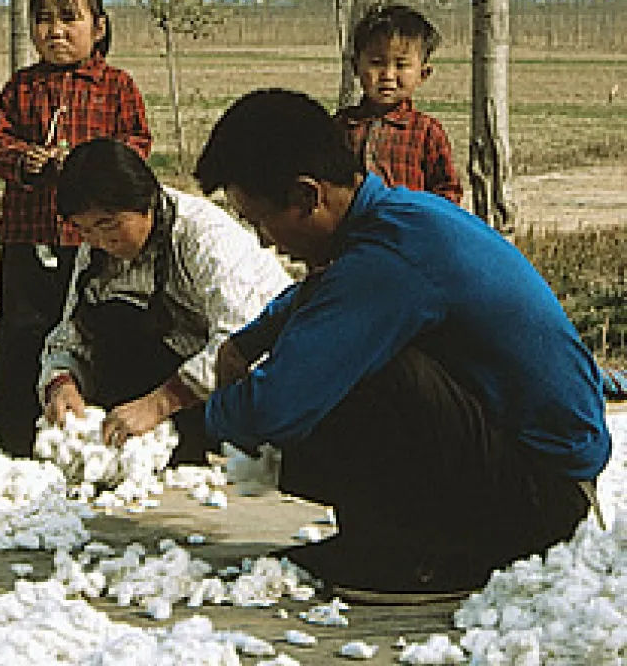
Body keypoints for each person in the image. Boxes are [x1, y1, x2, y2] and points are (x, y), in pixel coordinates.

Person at [192, 89, 609, 597]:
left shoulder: (389, 259)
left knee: (352, 369)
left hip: (539, 501)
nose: (262, 241)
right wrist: (247, 342)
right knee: (329, 347)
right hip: (536, 471)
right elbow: (319, 291)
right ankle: (399, 535)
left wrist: (204, 418)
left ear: (308, 196)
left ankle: (430, 554)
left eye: (261, 221)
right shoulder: (395, 218)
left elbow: (275, 408)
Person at [0, 0, 152, 458]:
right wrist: (25, 160)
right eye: (43, 20)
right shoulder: (22, 88)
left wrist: (86, 161)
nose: (55, 31)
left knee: (92, 325)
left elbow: (136, 145)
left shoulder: (117, 87)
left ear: (98, 27)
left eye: (68, 19)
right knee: (22, 329)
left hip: (93, 241)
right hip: (29, 233)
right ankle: (12, 431)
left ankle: (92, 427)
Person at [40, 138, 291, 465]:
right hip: (184, 361)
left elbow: (241, 341)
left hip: (265, 374)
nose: (101, 241)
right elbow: (71, 331)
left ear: (145, 203)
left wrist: (160, 403)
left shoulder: (204, 237)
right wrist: (62, 381)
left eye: (109, 225)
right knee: (112, 319)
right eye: (85, 230)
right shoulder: (98, 254)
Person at [334, 3, 462, 205]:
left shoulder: (427, 132)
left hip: (408, 231)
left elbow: (447, 193)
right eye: (376, 63)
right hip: (353, 231)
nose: (388, 75)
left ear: (423, 74)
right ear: (356, 67)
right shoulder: (341, 125)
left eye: (401, 65)